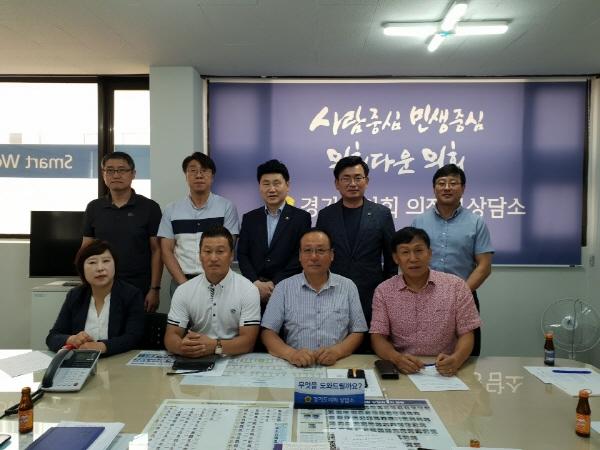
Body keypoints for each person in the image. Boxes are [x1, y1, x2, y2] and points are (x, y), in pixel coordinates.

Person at [370, 227, 481, 376]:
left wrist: (457, 359)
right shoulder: (384, 291)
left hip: (445, 369)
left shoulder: (456, 286)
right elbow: (378, 337)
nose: (413, 258)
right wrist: (396, 358)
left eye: (419, 250)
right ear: (396, 258)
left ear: (429, 253)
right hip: (403, 368)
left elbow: (467, 333)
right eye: (405, 252)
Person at [411, 164, 493, 355]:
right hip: (425, 297)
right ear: (434, 188)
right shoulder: (419, 221)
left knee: (466, 354)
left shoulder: (476, 222)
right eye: (441, 183)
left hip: (464, 297)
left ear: (463, 189)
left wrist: (460, 293)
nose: (447, 187)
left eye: (453, 183)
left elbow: (484, 266)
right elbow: (411, 262)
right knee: (425, 353)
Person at [261, 228, 367, 367]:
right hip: (295, 365)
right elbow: (268, 332)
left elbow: (358, 331)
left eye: (321, 250)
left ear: (332, 255)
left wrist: (337, 352)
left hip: (337, 364)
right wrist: (291, 354)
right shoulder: (283, 287)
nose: (314, 257)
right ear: (300, 255)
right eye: (307, 250)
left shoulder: (348, 286)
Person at [316, 155, 396, 327]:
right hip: (333, 292)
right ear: (337, 183)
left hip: (372, 293)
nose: (352, 183)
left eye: (358, 178)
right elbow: (320, 255)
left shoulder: (382, 214)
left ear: (366, 181)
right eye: (346, 178)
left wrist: (387, 291)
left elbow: (391, 258)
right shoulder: (326, 215)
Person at [82, 151, 162, 312]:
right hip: (101, 284)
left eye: (122, 170)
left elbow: (157, 251)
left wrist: (154, 289)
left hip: (139, 287)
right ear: (103, 174)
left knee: (137, 327)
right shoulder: (94, 208)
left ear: (133, 174)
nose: (116, 175)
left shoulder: (150, 207)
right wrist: (85, 282)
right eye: (110, 170)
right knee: (102, 326)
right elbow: (86, 249)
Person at [164, 226, 260, 357]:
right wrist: (182, 347)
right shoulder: (184, 290)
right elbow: (171, 336)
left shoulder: (248, 290)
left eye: (220, 251)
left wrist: (215, 346)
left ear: (231, 255)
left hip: (233, 358)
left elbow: (248, 342)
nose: (213, 258)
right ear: (200, 255)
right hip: (196, 357)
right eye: (207, 251)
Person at [158, 152, 240, 296]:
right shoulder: (171, 209)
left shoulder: (226, 207)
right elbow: (166, 251)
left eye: (204, 171)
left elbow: (227, 248)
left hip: (217, 283)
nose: (199, 175)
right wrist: (184, 285)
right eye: (193, 170)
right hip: (181, 282)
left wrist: (211, 283)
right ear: (186, 176)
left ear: (212, 176)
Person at [46, 240, 145, 356]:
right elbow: (52, 337)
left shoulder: (131, 295)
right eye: (92, 262)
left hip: (118, 361)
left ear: (115, 265)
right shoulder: (75, 295)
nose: (100, 268)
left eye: (106, 261)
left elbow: (133, 337)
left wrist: (103, 346)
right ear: (82, 269)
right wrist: (72, 339)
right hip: (81, 362)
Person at [237, 159, 311, 306]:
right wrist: (256, 283)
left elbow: (300, 255)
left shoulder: (301, 218)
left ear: (287, 185)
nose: (272, 189)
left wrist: (275, 283)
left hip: (289, 291)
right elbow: (242, 254)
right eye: (266, 184)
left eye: (277, 183)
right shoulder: (250, 218)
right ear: (259, 187)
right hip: (254, 292)